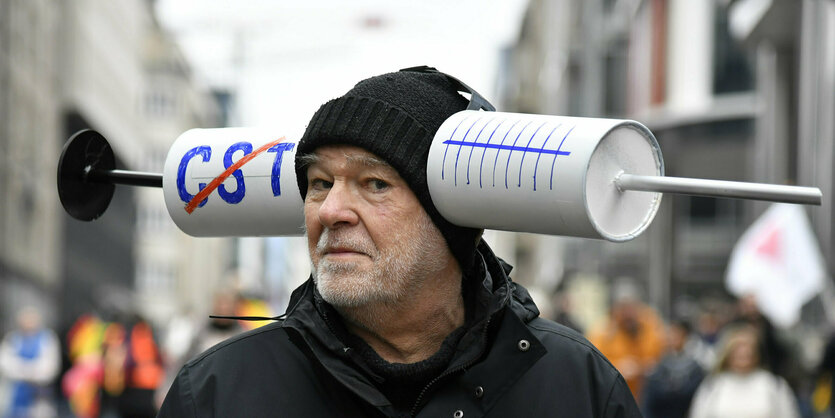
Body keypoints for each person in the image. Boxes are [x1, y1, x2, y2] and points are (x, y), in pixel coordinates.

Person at [158, 66, 641, 417]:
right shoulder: (216, 395)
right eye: (321, 182)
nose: (330, 211)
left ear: (451, 221)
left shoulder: (577, 389)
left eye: (375, 185)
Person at [688, 325, 799, 418]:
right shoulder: (713, 385)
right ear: (728, 355)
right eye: (738, 353)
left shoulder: (773, 384)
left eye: (747, 353)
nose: (743, 357)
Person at [588, 279, 665, 402]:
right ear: (615, 309)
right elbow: (594, 365)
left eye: (631, 307)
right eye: (623, 308)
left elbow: (662, 359)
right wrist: (618, 368)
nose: (628, 314)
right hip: (615, 398)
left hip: (648, 398)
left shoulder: (652, 327)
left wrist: (644, 368)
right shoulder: (603, 332)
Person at [0, 306, 61, 417]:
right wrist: (30, 370)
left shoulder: (47, 339)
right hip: (15, 397)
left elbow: (49, 369)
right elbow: (5, 365)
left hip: (39, 397)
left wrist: (23, 370)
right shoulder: (12, 339)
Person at [641, 319, 705, 418]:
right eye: (669, 335)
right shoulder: (659, 366)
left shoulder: (695, 368)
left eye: (676, 335)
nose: (671, 339)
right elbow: (649, 400)